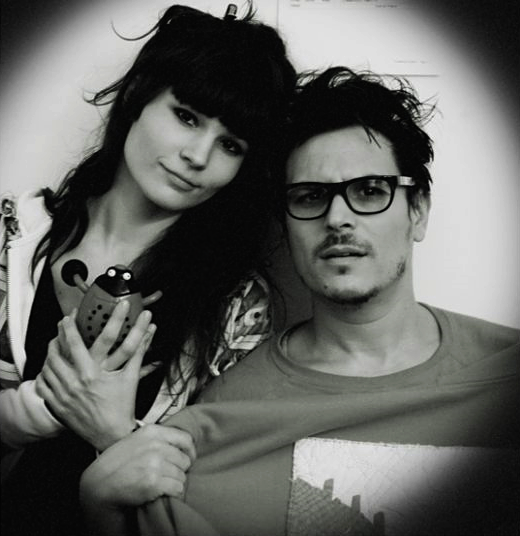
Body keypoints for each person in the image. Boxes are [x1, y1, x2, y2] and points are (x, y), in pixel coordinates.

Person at [80, 66, 520, 536]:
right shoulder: (221, 417)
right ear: (286, 224)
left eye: (370, 191)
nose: (338, 218)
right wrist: (101, 506)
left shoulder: (504, 375)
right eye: (310, 197)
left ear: (419, 212)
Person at [0, 3, 296, 534]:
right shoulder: (12, 238)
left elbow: (218, 492)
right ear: (138, 95)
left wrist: (113, 432)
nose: (198, 156)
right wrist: (39, 409)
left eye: (230, 145)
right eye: (187, 117)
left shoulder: (237, 308)